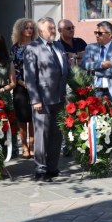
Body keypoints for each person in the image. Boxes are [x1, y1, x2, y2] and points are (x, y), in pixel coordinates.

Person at [24, 17, 69, 182]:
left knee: (57, 135)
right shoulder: (32, 48)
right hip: (42, 99)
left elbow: (65, 69)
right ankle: (40, 169)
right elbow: (29, 76)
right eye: (50, 28)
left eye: (54, 28)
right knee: (42, 135)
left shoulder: (58, 45)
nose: (53, 31)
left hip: (59, 97)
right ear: (41, 30)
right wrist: (35, 99)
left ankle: (52, 167)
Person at [81, 21, 112, 172]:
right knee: (96, 125)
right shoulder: (91, 47)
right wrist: (102, 64)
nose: (97, 36)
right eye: (96, 33)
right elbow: (83, 64)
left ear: (109, 35)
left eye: (100, 33)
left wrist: (94, 68)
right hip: (96, 91)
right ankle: (100, 158)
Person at [11, 19, 38, 160]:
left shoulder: (37, 46)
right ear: (20, 29)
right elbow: (13, 67)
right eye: (26, 28)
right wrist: (22, 82)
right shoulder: (15, 48)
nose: (29, 30)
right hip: (20, 87)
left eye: (31, 28)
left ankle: (32, 146)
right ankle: (25, 147)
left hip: (35, 86)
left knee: (33, 117)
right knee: (22, 118)